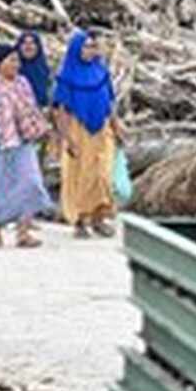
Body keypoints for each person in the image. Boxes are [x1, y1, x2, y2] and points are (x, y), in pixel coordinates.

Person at [0, 43, 53, 249]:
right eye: (11, 60)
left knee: (30, 181)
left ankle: (23, 231)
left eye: (17, 60)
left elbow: (31, 109)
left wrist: (42, 130)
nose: (16, 65)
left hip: (22, 140)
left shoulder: (23, 83)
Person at [53, 30, 124, 239]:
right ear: (76, 49)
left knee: (102, 173)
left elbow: (108, 102)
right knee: (80, 174)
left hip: (102, 128)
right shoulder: (67, 77)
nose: (91, 50)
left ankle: (99, 216)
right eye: (86, 46)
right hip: (78, 128)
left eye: (93, 46)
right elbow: (61, 110)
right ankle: (81, 220)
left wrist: (116, 125)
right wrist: (67, 138)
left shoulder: (101, 73)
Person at [15, 31, 52, 109]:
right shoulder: (11, 69)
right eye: (24, 43)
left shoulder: (44, 69)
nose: (28, 46)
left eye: (32, 43)